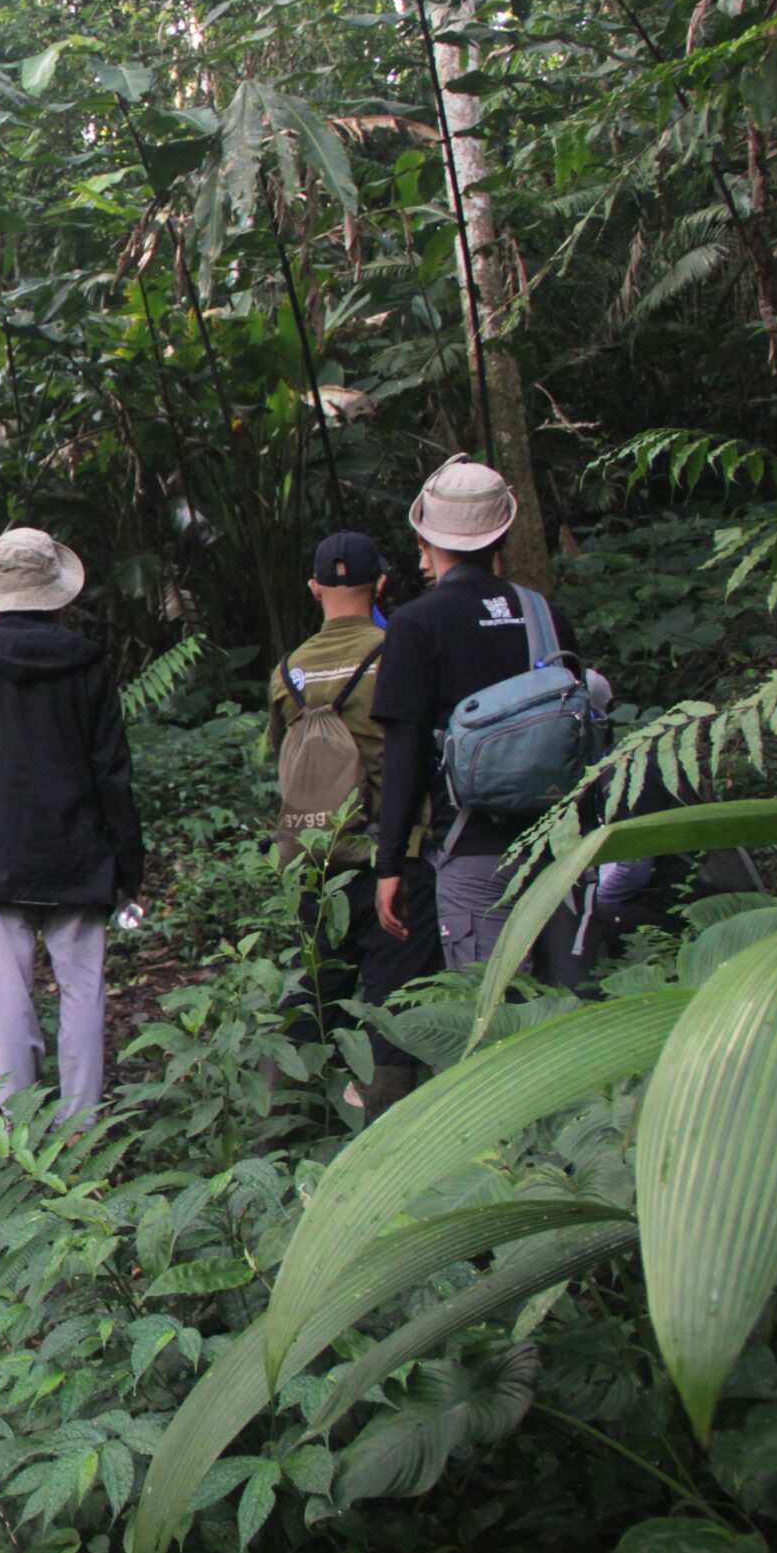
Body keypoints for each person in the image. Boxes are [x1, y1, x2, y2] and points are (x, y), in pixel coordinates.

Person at [0, 528, 144, 1121]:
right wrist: (128, 864)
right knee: (83, 991)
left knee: (5, 1001)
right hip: (79, 852)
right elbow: (112, 772)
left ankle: (21, 1128)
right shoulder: (89, 663)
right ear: (54, 591)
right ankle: (81, 1127)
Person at [371, 455, 586, 973]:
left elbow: (404, 751)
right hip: (561, 847)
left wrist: (391, 863)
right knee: (569, 1008)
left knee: (494, 1008)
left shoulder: (416, 623)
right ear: (502, 533)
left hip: (472, 847)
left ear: (427, 536)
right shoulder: (545, 614)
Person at [265, 533, 440, 1115]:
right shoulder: (398, 654)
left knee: (313, 994)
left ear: (314, 588)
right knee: (395, 1003)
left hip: (314, 860)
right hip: (393, 856)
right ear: (382, 584)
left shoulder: (286, 672)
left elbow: (286, 757)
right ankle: (388, 1120)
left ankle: (286, 1119)